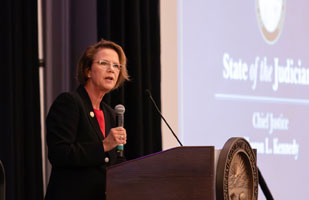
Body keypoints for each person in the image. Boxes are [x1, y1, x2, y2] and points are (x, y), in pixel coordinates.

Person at [45, 39, 129, 200]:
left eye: (116, 66)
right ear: (88, 70)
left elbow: (115, 162)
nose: (111, 69)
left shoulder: (111, 114)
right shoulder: (70, 103)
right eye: (104, 63)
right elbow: (59, 154)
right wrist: (104, 145)